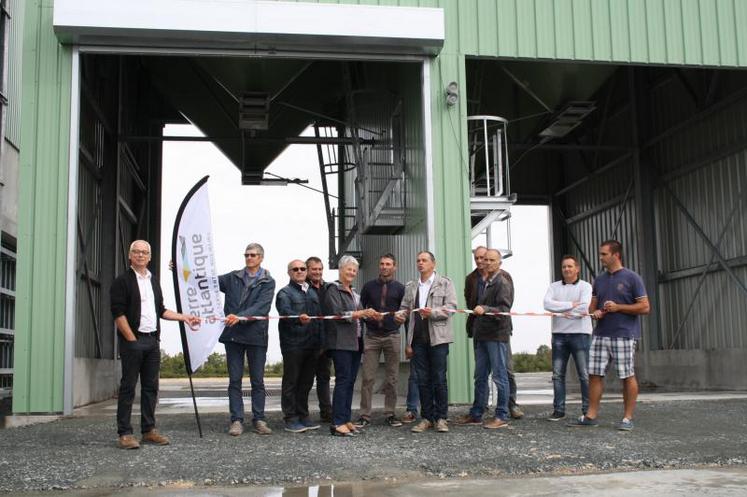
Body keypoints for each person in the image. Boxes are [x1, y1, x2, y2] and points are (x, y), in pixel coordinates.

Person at [110, 240, 200, 450]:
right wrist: (131, 339)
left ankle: (148, 430)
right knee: (128, 388)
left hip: (152, 341)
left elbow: (161, 310)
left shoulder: (153, 281)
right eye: (136, 252)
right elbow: (118, 313)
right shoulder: (122, 281)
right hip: (133, 341)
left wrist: (185, 317)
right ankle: (124, 433)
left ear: (150, 257)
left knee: (151, 387)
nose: (141, 255)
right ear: (130, 256)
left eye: (144, 252)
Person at [569, 240, 649, 431]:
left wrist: (618, 307)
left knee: (626, 375)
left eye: (604, 254)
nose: (601, 258)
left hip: (624, 335)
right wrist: (595, 312)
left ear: (616, 255)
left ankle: (627, 418)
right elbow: (592, 307)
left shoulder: (632, 278)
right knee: (595, 374)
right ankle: (591, 415)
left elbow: (645, 307)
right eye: (601, 254)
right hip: (601, 334)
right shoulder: (600, 279)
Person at [395, 251, 457, 434]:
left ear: (433, 263)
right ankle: (427, 418)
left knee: (439, 379)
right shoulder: (412, 286)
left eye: (424, 260)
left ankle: (441, 418)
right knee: (422, 380)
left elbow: (451, 308)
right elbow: (404, 309)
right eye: (418, 261)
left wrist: (433, 313)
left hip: (438, 339)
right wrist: (400, 316)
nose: (420, 263)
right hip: (418, 340)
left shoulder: (445, 283)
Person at [219, 243, 276, 436]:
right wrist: (182, 270)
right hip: (233, 335)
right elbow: (208, 281)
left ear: (261, 257)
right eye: (247, 255)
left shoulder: (268, 281)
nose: (249, 258)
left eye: (253, 255)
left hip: (256, 336)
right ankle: (236, 420)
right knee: (234, 380)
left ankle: (259, 419)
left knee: (257, 381)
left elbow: (262, 307)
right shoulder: (232, 277)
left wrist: (240, 316)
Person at [454, 249, 514, 429]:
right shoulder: (485, 281)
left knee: (499, 376)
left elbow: (504, 310)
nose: (487, 263)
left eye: (491, 260)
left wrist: (485, 309)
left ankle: (502, 415)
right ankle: (477, 413)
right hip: (481, 335)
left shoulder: (502, 282)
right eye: (485, 259)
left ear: (499, 263)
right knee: (480, 376)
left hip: (496, 336)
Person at [321, 255, 378, 436]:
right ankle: (337, 422)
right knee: (343, 381)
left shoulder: (354, 292)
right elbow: (338, 314)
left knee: (350, 382)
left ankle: (345, 419)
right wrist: (361, 312)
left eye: (354, 270)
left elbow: (359, 314)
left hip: (356, 343)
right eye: (349, 269)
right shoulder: (332, 289)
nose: (352, 272)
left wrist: (371, 315)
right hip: (341, 343)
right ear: (340, 269)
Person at [356, 253, 406, 428]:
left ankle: (390, 414)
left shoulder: (400, 288)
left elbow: (404, 314)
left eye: (388, 264)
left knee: (392, 378)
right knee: (368, 377)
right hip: (372, 337)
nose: (384, 267)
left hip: (392, 335)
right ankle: (364, 415)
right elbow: (360, 311)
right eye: (382, 264)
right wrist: (365, 326)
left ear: (394, 267)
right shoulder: (368, 287)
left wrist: (408, 342)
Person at [542, 255, 593, 421]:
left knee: (584, 374)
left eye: (570, 266)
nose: (567, 269)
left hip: (581, 334)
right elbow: (547, 304)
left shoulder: (585, 286)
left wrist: (561, 310)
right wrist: (571, 306)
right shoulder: (554, 287)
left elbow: (585, 307)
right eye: (564, 267)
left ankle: (587, 411)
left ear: (577, 269)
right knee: (557, 375)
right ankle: (559, 410)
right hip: (559, 335)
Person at [275, 260, 323, 433]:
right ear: (289, 272)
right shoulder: (284, 293)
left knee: (306, 383)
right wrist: (298, 318)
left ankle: (303, 415)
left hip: (312, 345)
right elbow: (285, 312)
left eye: (303, 269)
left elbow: (319, 319)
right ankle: (290, 418)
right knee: (291, 382)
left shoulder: (312, 292)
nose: (300, 271)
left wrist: (321, 342)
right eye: (295, 269)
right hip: (293, 345)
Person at [306, 256, 333, 423]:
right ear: (308, 270)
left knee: (324, 377)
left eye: (319, 269)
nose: (317, 272)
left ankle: (326, 411)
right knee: (306, 379)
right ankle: (302, 413)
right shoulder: (303, 288)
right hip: (308, 340)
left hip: (326, 340)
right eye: (314, 269)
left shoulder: (329, 288)